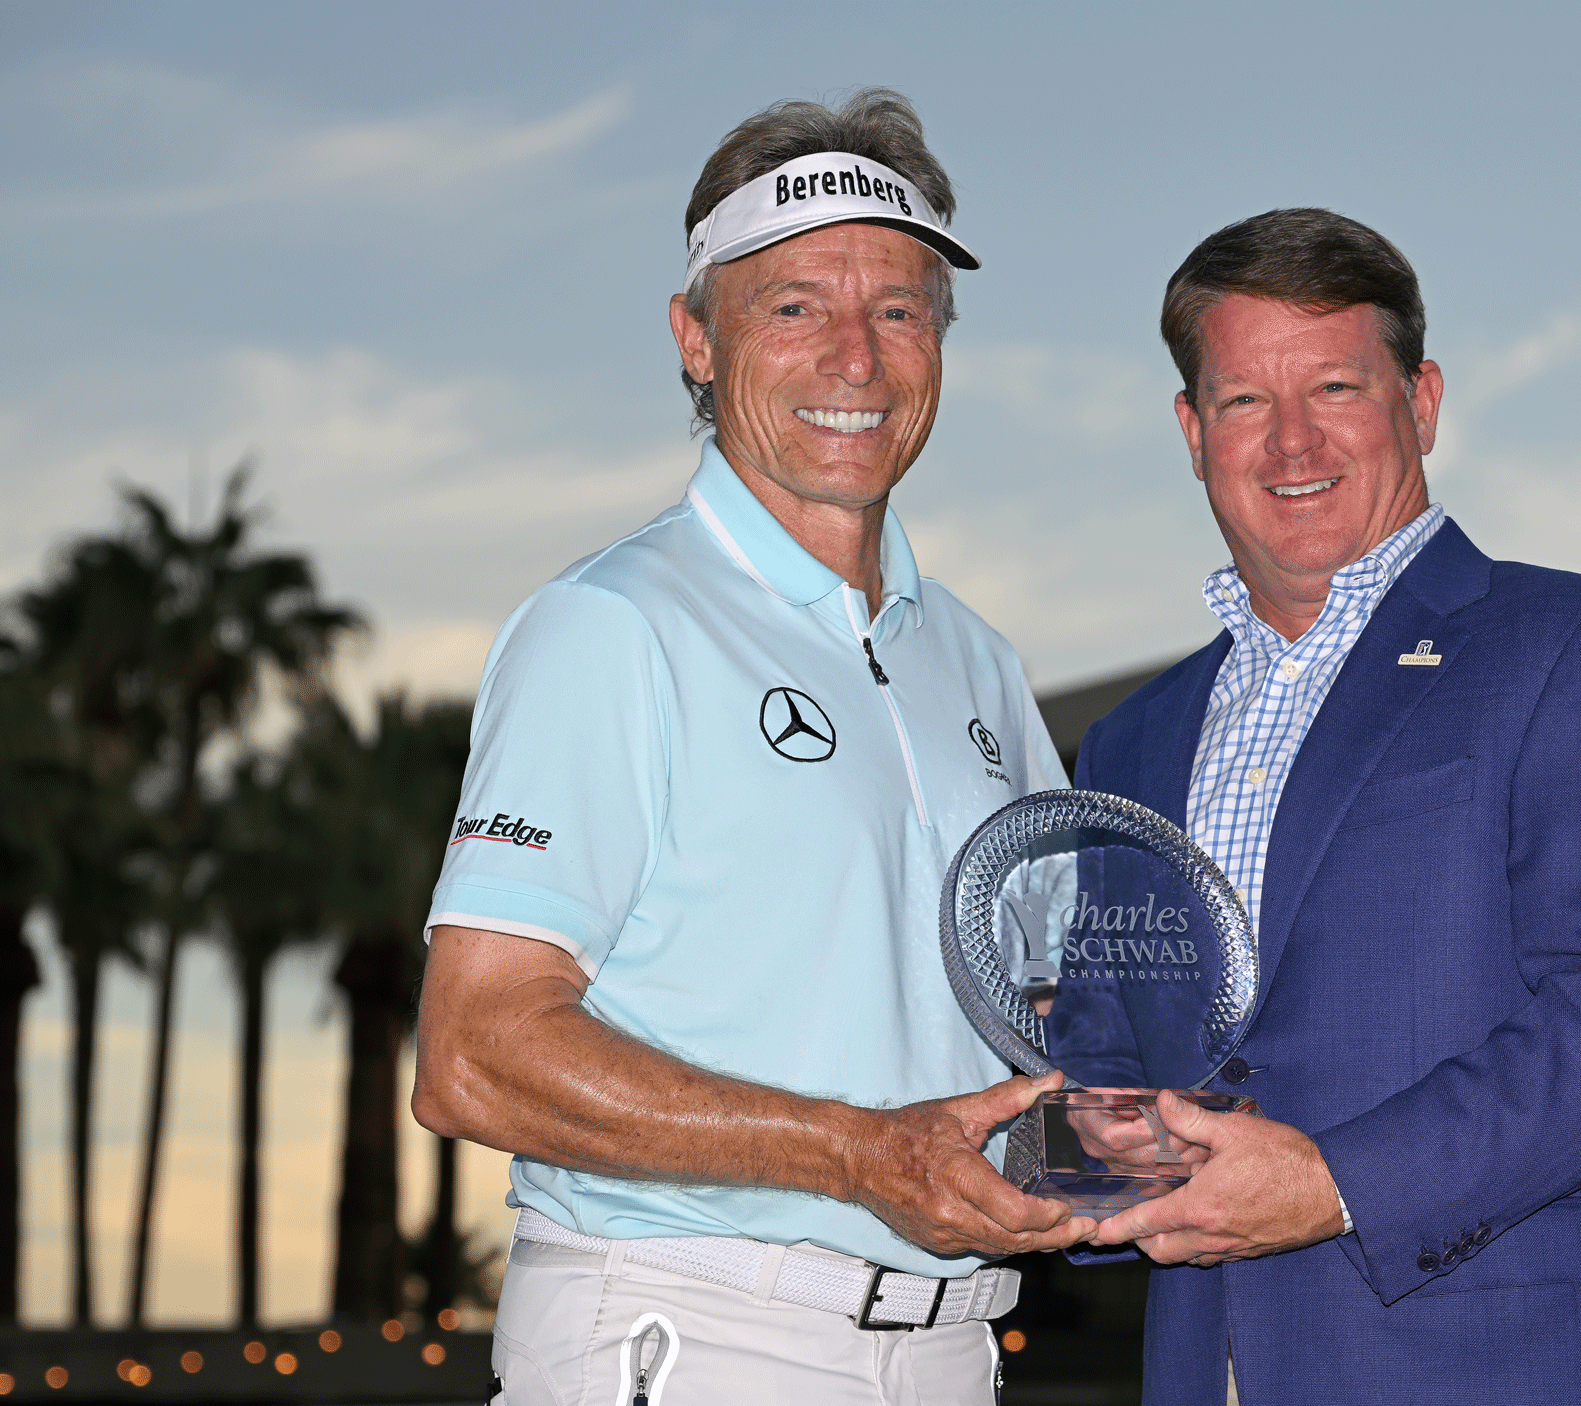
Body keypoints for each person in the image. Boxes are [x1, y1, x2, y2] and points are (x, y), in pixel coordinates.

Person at [410, 90, 1093, 1406]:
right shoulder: (608, 626)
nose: (857, 356)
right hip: (690, 1334)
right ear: (695, 340)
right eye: (795, 308)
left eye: (898, 309)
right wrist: (854, 1154)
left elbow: (1047, 1020)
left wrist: (1142, 1119)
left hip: (957, 1354)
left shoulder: (979, 661)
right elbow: (475, 1051)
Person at [1049, 208, 1581, 1404]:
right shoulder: (1130, 742)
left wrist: (1334, 1180)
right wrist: (1074, 1145)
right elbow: (1104, 1062)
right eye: (1243, 401)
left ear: (1419, 402)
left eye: (1333, 386)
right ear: (1190, 428)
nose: (1292, 440)